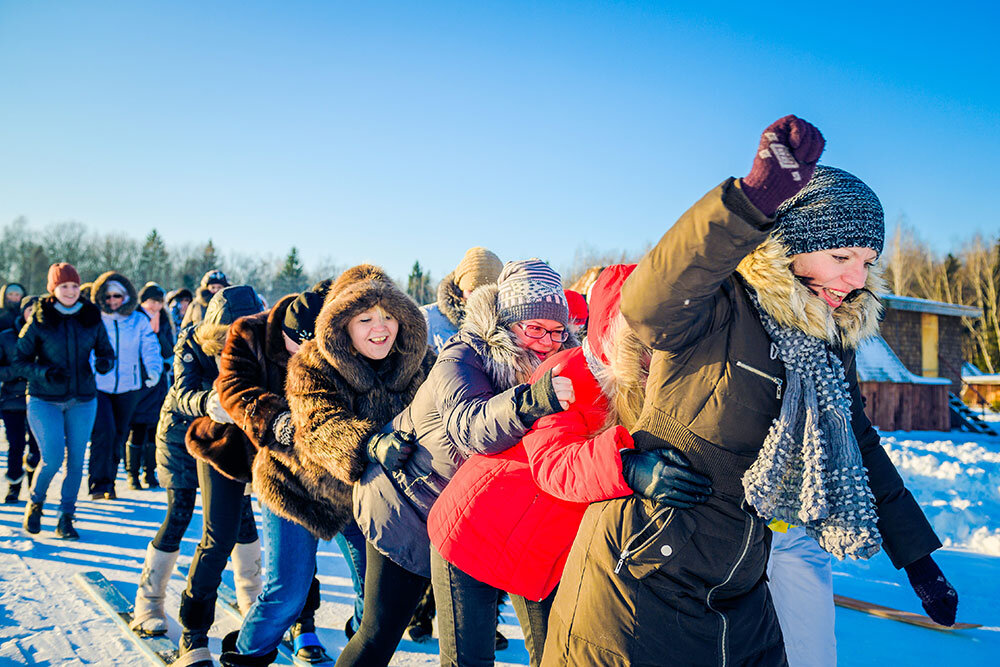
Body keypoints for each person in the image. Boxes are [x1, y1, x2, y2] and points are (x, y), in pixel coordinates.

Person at [541, 116, 958, 666]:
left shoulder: (829, 341)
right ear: (794, 241)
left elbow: (855, 439)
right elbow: (648, 301)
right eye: (841, 257)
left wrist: (918, 557)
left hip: (741, 588)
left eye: (867, 262)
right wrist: (749, 205)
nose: (856, 279)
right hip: (642, 580)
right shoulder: (719, 306)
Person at [427, 264, 712, 666]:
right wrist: (626, 465)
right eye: (642, 342)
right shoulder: (564, 372)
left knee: (558, 657)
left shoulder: (658, 384)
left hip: (543, 552)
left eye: (556, 331)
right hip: (474, 529)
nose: (546, 341)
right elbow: (554, 463)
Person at [339, 259, 576, 667]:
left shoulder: (557, 364)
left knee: (550, 643)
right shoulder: (462, 356)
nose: (545, 342)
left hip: (481, 518)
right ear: (506, 323)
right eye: (533, 329)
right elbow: (471, 426)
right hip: (406, 503)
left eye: (555, 332)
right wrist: (531, 401)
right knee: (380, 633)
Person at [192, 282, 342, 666]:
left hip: (297, 467)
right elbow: (209, 391)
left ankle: (298, 623)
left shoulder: (328, 341)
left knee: (293, 568)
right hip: (227, 452)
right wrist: (268, 419)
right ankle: (194, 628)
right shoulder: (230, 341)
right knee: (219, 535)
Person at [131, 287, 264, 648]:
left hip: (224, 441)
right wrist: (209, 401)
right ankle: (149, 603)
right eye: (227, 334)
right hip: (179, 436)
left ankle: (251, 597)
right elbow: (180, 392)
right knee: (180, 514)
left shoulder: (259, 344)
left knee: (240, 516)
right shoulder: (192, 343)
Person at [16, 263, 114, 539]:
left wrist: (105, 361)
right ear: (53, 289)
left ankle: (66, 516)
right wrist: (45, 372)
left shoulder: (91, 316)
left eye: (74, 286)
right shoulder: (39, 317)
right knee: (53, 458)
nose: (70, 291)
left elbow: (106, 350)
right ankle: (36, 501)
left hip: (83, 398)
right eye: (63, 286)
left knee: (76, 462)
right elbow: (19, 361)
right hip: (44, 398)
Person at [89, 271, 162, 499]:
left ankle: (109, 482)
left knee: (120, 435)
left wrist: (153, 369)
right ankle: (98, 484)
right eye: (108, 296)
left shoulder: (138, 320)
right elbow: (88, 348)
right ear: (101, 296)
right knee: (104, 432)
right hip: (99, 385)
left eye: (117, 296)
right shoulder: (94, 318)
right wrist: (91, 371)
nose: (113, 301)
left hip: (129, 386)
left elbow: (150, 346)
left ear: (126, 296)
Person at [126, 283, 174, 489]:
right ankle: (132, 474)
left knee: (155, 430)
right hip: (138, 382)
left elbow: (168, 349)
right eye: (152, 301)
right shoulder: (134, 318)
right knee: (137, 429)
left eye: (159, 302)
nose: (155, 306)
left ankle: (150, 471)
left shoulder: (164, 320)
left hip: (159, 383)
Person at [421, 247, 503, 352]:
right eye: (472, 291)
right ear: (460, 288)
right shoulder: (428, 319)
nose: (479, 299)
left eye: (487, 294)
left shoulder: (508, 327)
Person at [1, 295, 41, 503]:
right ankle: (14, 485)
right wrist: (18, 371)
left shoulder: (46, 336)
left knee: (36, 447)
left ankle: (33, 487)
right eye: (29, 311)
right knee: (16, 444)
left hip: (39, 397)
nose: (32, 315)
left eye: (37, 312)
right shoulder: (6, 337)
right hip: (12, 400)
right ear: (23, 312)